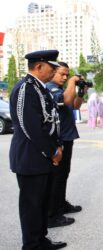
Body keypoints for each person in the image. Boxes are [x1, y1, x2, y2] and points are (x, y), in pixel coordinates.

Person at [9, 50, 67, 249]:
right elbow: (30, 127)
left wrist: (57, 146)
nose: (55, 70)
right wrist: (53, 152)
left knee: (42, 203)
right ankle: (32, 245)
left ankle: (41, 240)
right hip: (31, 158)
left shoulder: (40, 88)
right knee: (32, 206)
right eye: (52, 66)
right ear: (39, 66)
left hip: (42, 157)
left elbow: (51, 121)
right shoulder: (26, 88)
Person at [46, 62, 85, 228]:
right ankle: (52, 214)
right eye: (62, 74)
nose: (64, 77)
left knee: (63, 174)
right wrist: (71, 84)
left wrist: (81, 90)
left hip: (67, 136)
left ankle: (61, 204)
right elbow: (66, 101)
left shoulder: (61, 88)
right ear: (53, 72)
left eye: (67, 75)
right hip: (59, 139)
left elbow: (75, 105)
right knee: (56, 176)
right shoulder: (50, 87)